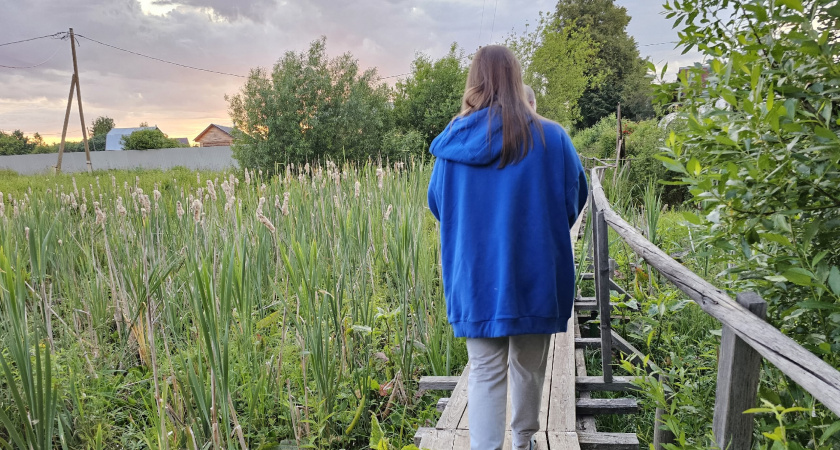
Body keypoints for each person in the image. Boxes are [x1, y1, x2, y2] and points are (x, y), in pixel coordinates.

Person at [427, 45, 588, 450]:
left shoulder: (452, 144)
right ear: (517, 80)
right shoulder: (552, 137)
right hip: (535, 271)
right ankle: (524, 442)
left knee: (484, 371)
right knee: (529, 368)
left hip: (475, 275)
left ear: (474, 81)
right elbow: (574, 198)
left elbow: (438, 205)